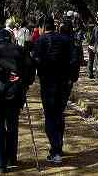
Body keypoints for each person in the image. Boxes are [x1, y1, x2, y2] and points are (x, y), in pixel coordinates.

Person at [0, 28, 35, 173]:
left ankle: (0, 164)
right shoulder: (20, 50)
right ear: (10, 38)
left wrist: (1, 72)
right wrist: (25, 81)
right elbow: (31, 68)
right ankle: (12, 158)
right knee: (12, 126)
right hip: (14, 92)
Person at [32, 18, 78, 163]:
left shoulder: (40, 41)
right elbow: (74, 60)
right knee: (59, 113)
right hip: (63, 83)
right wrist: (72, 78)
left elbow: (35, 61)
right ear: (55, 26)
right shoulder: (66, 40)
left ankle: (56, 149)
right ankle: (58, 146)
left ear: (43, 27)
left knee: (50, 115)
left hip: (48, 84)